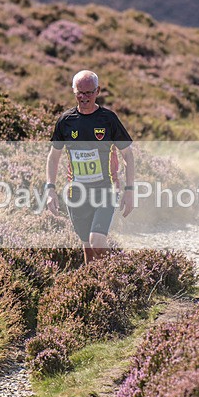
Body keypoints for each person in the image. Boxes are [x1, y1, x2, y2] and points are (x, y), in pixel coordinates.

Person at [45, 70, 135, 264]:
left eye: (89, 93)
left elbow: (128, 154)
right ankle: (97, 286)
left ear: (98, 91)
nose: (84, 97)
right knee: (87, 246)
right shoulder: (65, 121)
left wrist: (129, 190)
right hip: (76, 193)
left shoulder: (108, 119)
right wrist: (50, 189)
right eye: (80, 92)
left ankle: (118, 275)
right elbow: (53, 158)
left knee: (97, 241)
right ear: (73, 91)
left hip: (106, 188)